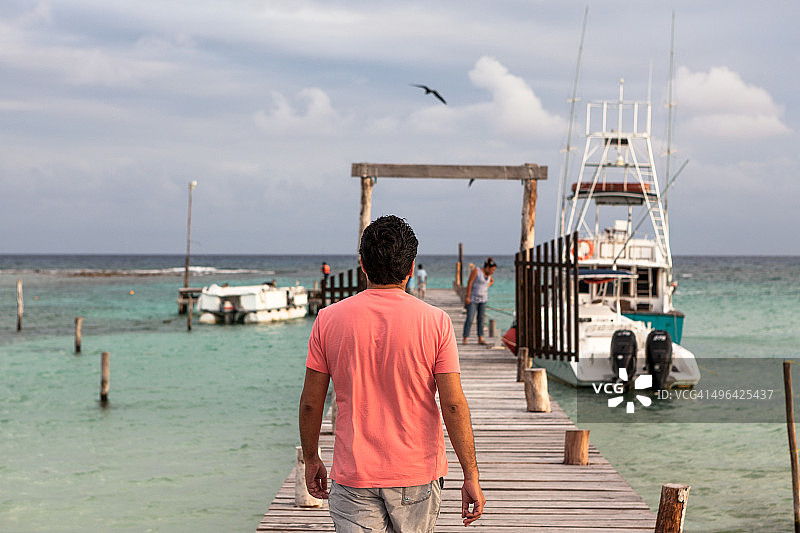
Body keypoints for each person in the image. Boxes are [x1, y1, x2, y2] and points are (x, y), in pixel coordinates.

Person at [299, 215, 485, 531]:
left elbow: (310, 403)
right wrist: (471, 474)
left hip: (354, 473)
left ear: (363, 264)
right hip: (416, 472)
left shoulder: (328, 320)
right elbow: (452, 404)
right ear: (411, 268)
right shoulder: (436, 322)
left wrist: (312, 457)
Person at [463, 257, 497, 345]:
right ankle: (465, 337)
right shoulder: (477, 271)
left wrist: (485, 287)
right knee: (470, 318)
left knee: (481, 319)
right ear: (488, 267)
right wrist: (467, 296)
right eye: (492, 270)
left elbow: (491, 281)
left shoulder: (489, 275)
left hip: (483, 299)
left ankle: (480, 338)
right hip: (473, 299)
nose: (493, 272)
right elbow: (470, 283)